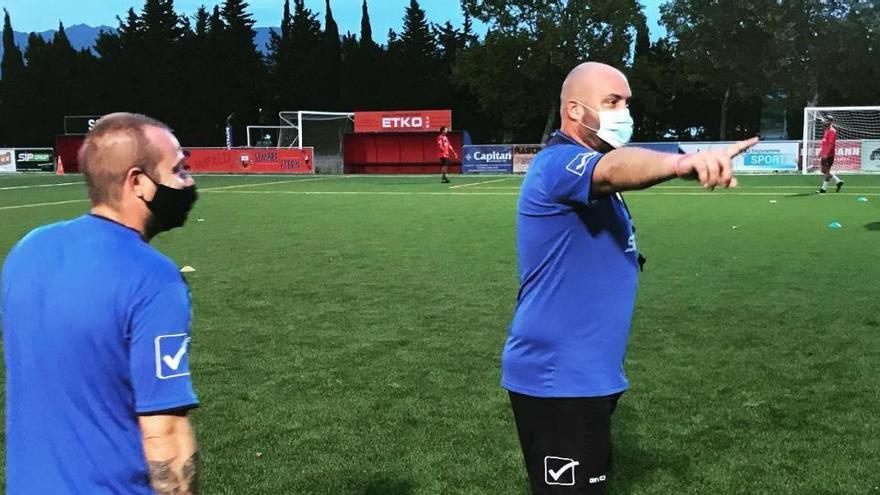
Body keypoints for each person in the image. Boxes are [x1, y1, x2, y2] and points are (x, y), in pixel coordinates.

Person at [501, 62, 758, 494]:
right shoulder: (559, 163)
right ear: (576, 111)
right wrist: (681, 164)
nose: (625, 112)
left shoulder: (588, 170)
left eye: (626, 102)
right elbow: (614, 168)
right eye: (612, 101)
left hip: (590, 374)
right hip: (558, 379)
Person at [2, 113, 201, 494]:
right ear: (138, 182)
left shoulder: (27, 250)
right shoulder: (153, 278)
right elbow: (167, 437)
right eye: (178, 169)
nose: (188, 182)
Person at [817, 115, 842, 193]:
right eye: (825, 120)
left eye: (827, 120)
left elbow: (831, 144)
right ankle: (838, 181)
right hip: (824, 154)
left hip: (829, 155)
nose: (825, 122)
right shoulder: (826, 130)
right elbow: (825, 143)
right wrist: (821, 152)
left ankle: (823, 189)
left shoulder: (832, 131)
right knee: (823, 171)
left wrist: (826, 154)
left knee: (827, 171)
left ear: (830, 122)